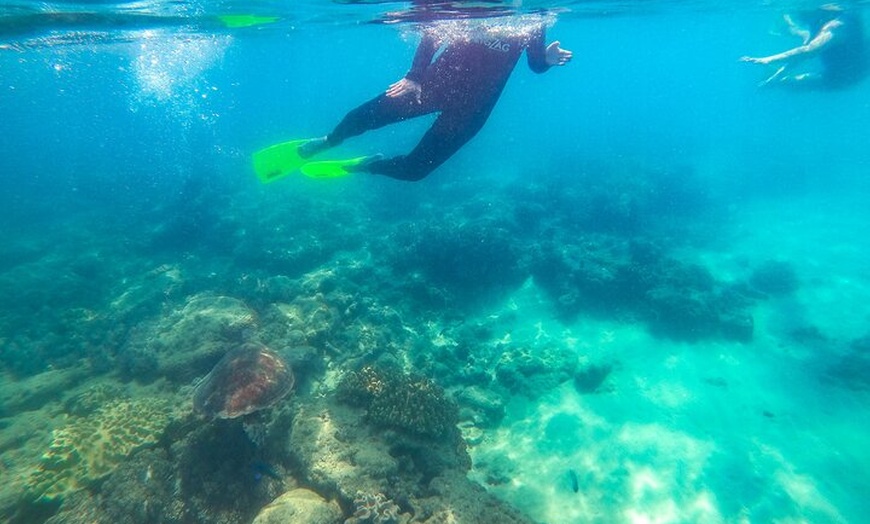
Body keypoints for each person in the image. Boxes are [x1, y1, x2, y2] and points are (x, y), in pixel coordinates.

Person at [297, 14, 572, 181]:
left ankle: (368, 166)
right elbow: (433, 36)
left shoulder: (532, 20)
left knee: (414, 171)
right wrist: (415, 75)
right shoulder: (468, 7)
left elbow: (534, 63)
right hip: (431, 86)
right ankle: (329, 140)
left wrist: (546, 60)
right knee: (367, 116)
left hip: (472, 110)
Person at [740, 4, 867, 90]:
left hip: (846, 76)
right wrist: (778, 75)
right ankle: (775, 81)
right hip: (850, 71)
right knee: (791, 83)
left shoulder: (837, 26)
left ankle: (778, 82)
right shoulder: (825, 21)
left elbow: (808, 51)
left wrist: (768, 60)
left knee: (794, 84)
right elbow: (803, 54)